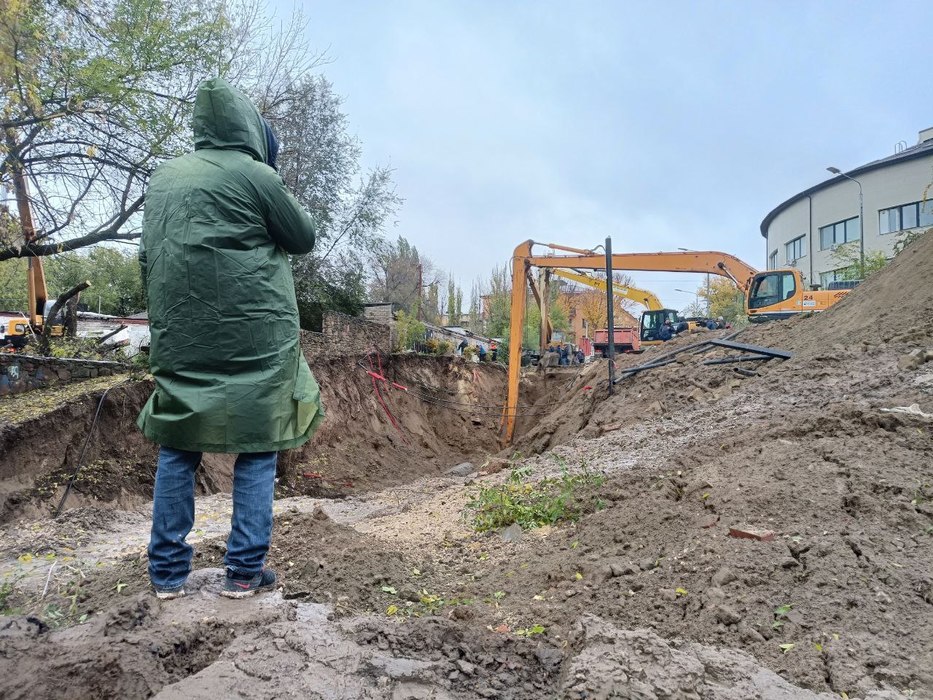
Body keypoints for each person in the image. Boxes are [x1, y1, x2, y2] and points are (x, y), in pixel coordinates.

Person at [138, 78, 323, 601]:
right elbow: (302, 237)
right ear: (249, 129)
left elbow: (148, 258)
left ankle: (168, 574)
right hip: (256, 341)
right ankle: (243, 573)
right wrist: (271, 180)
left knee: (179, 446)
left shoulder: (163, 179)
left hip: (182, 334)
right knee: (258, 447)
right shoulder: (256, 174)